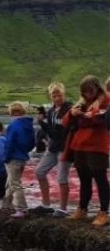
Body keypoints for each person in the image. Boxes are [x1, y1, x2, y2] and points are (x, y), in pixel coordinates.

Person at [62, 75, 109, 226]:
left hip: (97, 145)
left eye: (90, 91)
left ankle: (104, 212)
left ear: (97, 88)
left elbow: (105, 119)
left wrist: (91, 115)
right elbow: (65, 122)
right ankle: (82, 209)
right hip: (80, 145)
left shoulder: (107, 100)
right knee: (84, 179)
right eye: (84, 92)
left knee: (100, 179)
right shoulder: (80, 104)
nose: (87, 95)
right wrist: (71, 113)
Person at [34, 83, 73, 216]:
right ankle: (46, 204)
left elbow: (65, 130)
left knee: (62, 177)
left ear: (64, 94)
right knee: (39, 171)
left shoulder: (70, 109)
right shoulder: (50, 112)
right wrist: (42, 122)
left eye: (59, 95)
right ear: (50, 97)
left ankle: (63, 209)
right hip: (53, 146)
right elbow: (51, 132)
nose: (57, 98)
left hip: (65, 147)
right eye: (54, 96)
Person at [2, 103, 35, 218]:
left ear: (12, 113)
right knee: (10, 182)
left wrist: (6, 157)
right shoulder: (29, 125)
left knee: (14, 183)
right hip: (23, 157)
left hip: (13, 157)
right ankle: (6, 205)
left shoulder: (13, 125)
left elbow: (9, 143)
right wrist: (24, 151)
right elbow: (32, 143)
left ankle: (22, 209)